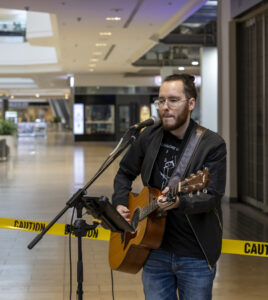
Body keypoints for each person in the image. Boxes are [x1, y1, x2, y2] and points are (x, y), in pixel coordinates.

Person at [112, 74, 226, 300]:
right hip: (153, 249)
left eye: (173, 100)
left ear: (191, 103)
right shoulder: (149, 137)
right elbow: (124, 172)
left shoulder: (211, 144)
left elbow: (212, 195)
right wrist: (120, 203)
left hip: (195, 253)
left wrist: (180, 202)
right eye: (161, 101)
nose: (165, 107)